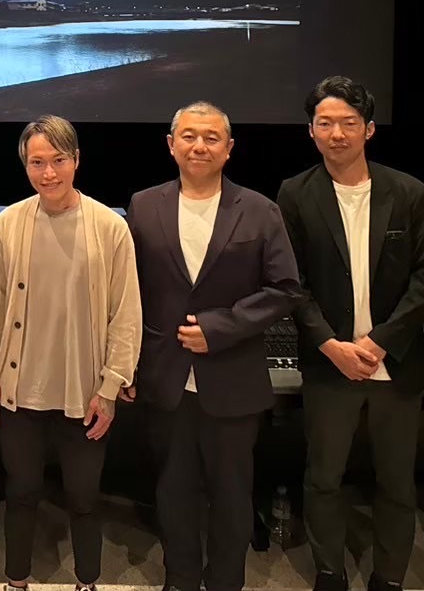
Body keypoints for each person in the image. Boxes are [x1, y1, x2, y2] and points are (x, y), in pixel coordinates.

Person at [124, 101, 300, 591]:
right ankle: (179, 580)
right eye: (188, 136)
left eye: (211, 137)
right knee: (172, 493)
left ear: (229, 149)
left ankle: (226, 582)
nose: (199, 145)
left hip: (233, 378)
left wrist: (220, 327)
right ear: (171, 144)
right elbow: (128, 291)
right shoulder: (143, 204)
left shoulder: (261, 210)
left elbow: (286, 288)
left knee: (231, 499)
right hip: (165, 377)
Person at [276, 77, 424, 591]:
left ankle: (388, 577)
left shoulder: (409, 192)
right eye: (325, 123)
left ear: (369, 129)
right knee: (323, 477)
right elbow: (290, 282)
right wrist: (331, 344)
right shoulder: (294, 194)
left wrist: (379, 342)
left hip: (396, 360)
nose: (337, 133)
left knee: (396, 481)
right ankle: (330, 570)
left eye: (349, 123)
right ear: (311, 131)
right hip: (330, 361)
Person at [0, 116, 142, 591]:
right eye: (36, 162)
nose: (48, 173)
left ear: (76, 160)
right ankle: (16, 580)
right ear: (24, 165)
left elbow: (125, 314)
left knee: (84, 497)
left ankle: (87, 581)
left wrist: (110, 387)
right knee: (22, 492)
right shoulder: (11, 221)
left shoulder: (110, 226)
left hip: (85, 391)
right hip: (19, 390)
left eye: (58, 160)